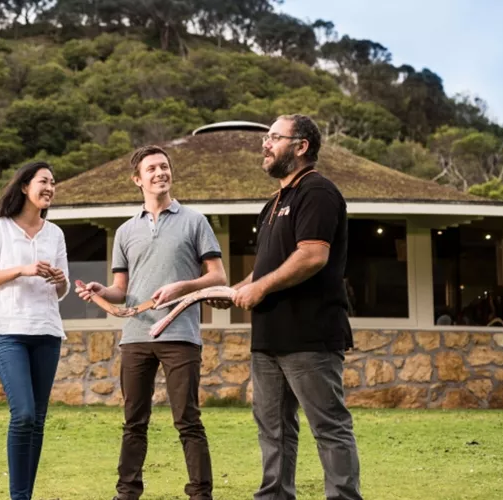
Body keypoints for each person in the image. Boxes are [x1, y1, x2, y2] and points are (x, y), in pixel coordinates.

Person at [209, 114, 363, 500]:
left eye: (274, 137)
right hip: (268, 337)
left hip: (309, 334)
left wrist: (259, 288)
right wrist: (234, 291)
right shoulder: (273, 204)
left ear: (301, 146)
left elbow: (312, 255)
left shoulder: (318, 191)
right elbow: (266, 268)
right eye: (266, 138)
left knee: (329, 427)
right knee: (273, 429)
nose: (265, 144)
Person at [76, 145, 227, 500]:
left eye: (164, 166)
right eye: (152, 169)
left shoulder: (195, 221)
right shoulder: (125, 231)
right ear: (137, 180)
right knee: (134, 422)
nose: (160, 173)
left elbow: (218, 276)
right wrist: (101, 291)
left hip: (180, 334)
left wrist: (182, 286)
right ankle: (127, 493)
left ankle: (200, 494)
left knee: (187, 420)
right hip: (136, 336)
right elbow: (120, 290)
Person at [0, 160, 70, 500]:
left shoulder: (55, 234)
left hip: (47, 331)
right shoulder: (0, 229)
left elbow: (62, 290)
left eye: (53, 183)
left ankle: (24, 496)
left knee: (37, 419)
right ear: (25, 187)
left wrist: (60, 280)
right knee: (23, 414)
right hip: (8, 331)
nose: (50, 188)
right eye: (43, 181)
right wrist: (22, 270)